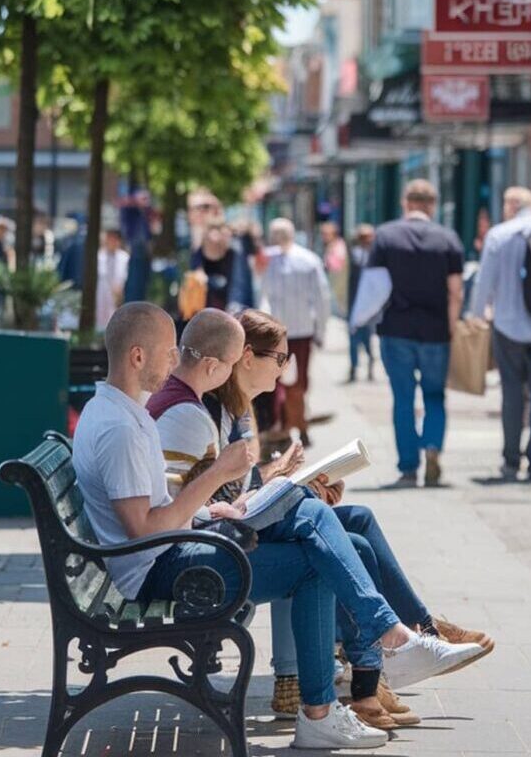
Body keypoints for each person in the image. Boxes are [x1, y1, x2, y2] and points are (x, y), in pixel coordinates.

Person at [77, 303, 483, 749]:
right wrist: (219, 477)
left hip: (175, 548)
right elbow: (142, 531)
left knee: (309, 522)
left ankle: (372, 662)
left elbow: (157, 512)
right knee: (314, 552)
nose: (176, 362)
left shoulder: (121, 413)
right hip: (163, 570)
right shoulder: (121, 427)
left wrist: (217, 510)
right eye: (169, 353)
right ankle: (364, 669)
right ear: (138, 357)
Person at [468, 187, 531, 481]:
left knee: (512, 393)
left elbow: (483, 281)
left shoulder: (499, 236)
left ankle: (511, 461)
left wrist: (477, 316)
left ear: (512, 205)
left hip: (507, 325)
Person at [370, 181, 463, 487]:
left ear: (405, 203)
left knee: (403, 398)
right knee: (435, 395)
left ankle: (409, 467)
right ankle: (433, 447)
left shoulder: (385, 236)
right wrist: (451, 329)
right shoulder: (448, 239)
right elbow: (455, 292)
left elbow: (375, 287)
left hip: (396, 329)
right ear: (432, 205)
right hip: (436, 331)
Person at [262, 218, 332, 447]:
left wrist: (320, 330)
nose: (277, 237)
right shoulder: (267, 260)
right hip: (277, 331)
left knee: (295, 382)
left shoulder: (308, 260)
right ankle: (287, 426)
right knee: (277, 381)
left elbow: (321, 300)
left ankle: (297, 425)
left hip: (298, 331)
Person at [346, 224, 376, 383]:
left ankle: (370, 367)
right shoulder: (353, 254)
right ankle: (353, 368)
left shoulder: (375, 255)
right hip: (354, 304)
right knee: (353, 339)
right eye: (363, 237)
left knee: (367, 338)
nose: (367, 241)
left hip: (370, 306)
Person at [95, 228, 130, 330]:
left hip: (119, 294)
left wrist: (119, 293)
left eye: (114, 239)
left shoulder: (124, 257)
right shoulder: (99, 256)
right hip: (101, 294)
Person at [320, 222, 348, 315]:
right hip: (333, 282)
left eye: (326, 234)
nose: (323, 236)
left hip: (339, 283)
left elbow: (337, 264)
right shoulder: (331, 245)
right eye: (322, 234)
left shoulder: (339, 245)